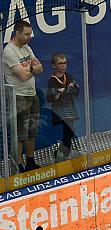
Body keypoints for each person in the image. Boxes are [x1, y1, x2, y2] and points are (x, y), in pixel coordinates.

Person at [2, 20, 43, 172]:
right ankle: (18, 165)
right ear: (17, 33)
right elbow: (22, 76)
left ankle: (30, 160)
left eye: (30, 33)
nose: (29, 37)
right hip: (19, 98)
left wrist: (29, 68)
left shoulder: (27, 48)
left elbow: (40, 68)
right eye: (26, 34)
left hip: (32, 95)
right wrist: (32, 68)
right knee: (20, 133)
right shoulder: (9, 52)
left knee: (32, 130)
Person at [47, 53, 79, 161]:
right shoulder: (52, 80)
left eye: (65, 63)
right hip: (60, 111)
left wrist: (65, 90)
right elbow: (51, 97)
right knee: (67, 131)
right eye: (60, 63)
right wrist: (64, 91)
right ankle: (63, 153)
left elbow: (75, 91)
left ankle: (63, 153)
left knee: (69, 131)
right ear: (54, 65)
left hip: (70, 109)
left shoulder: (69, 76)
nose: (63, 65)